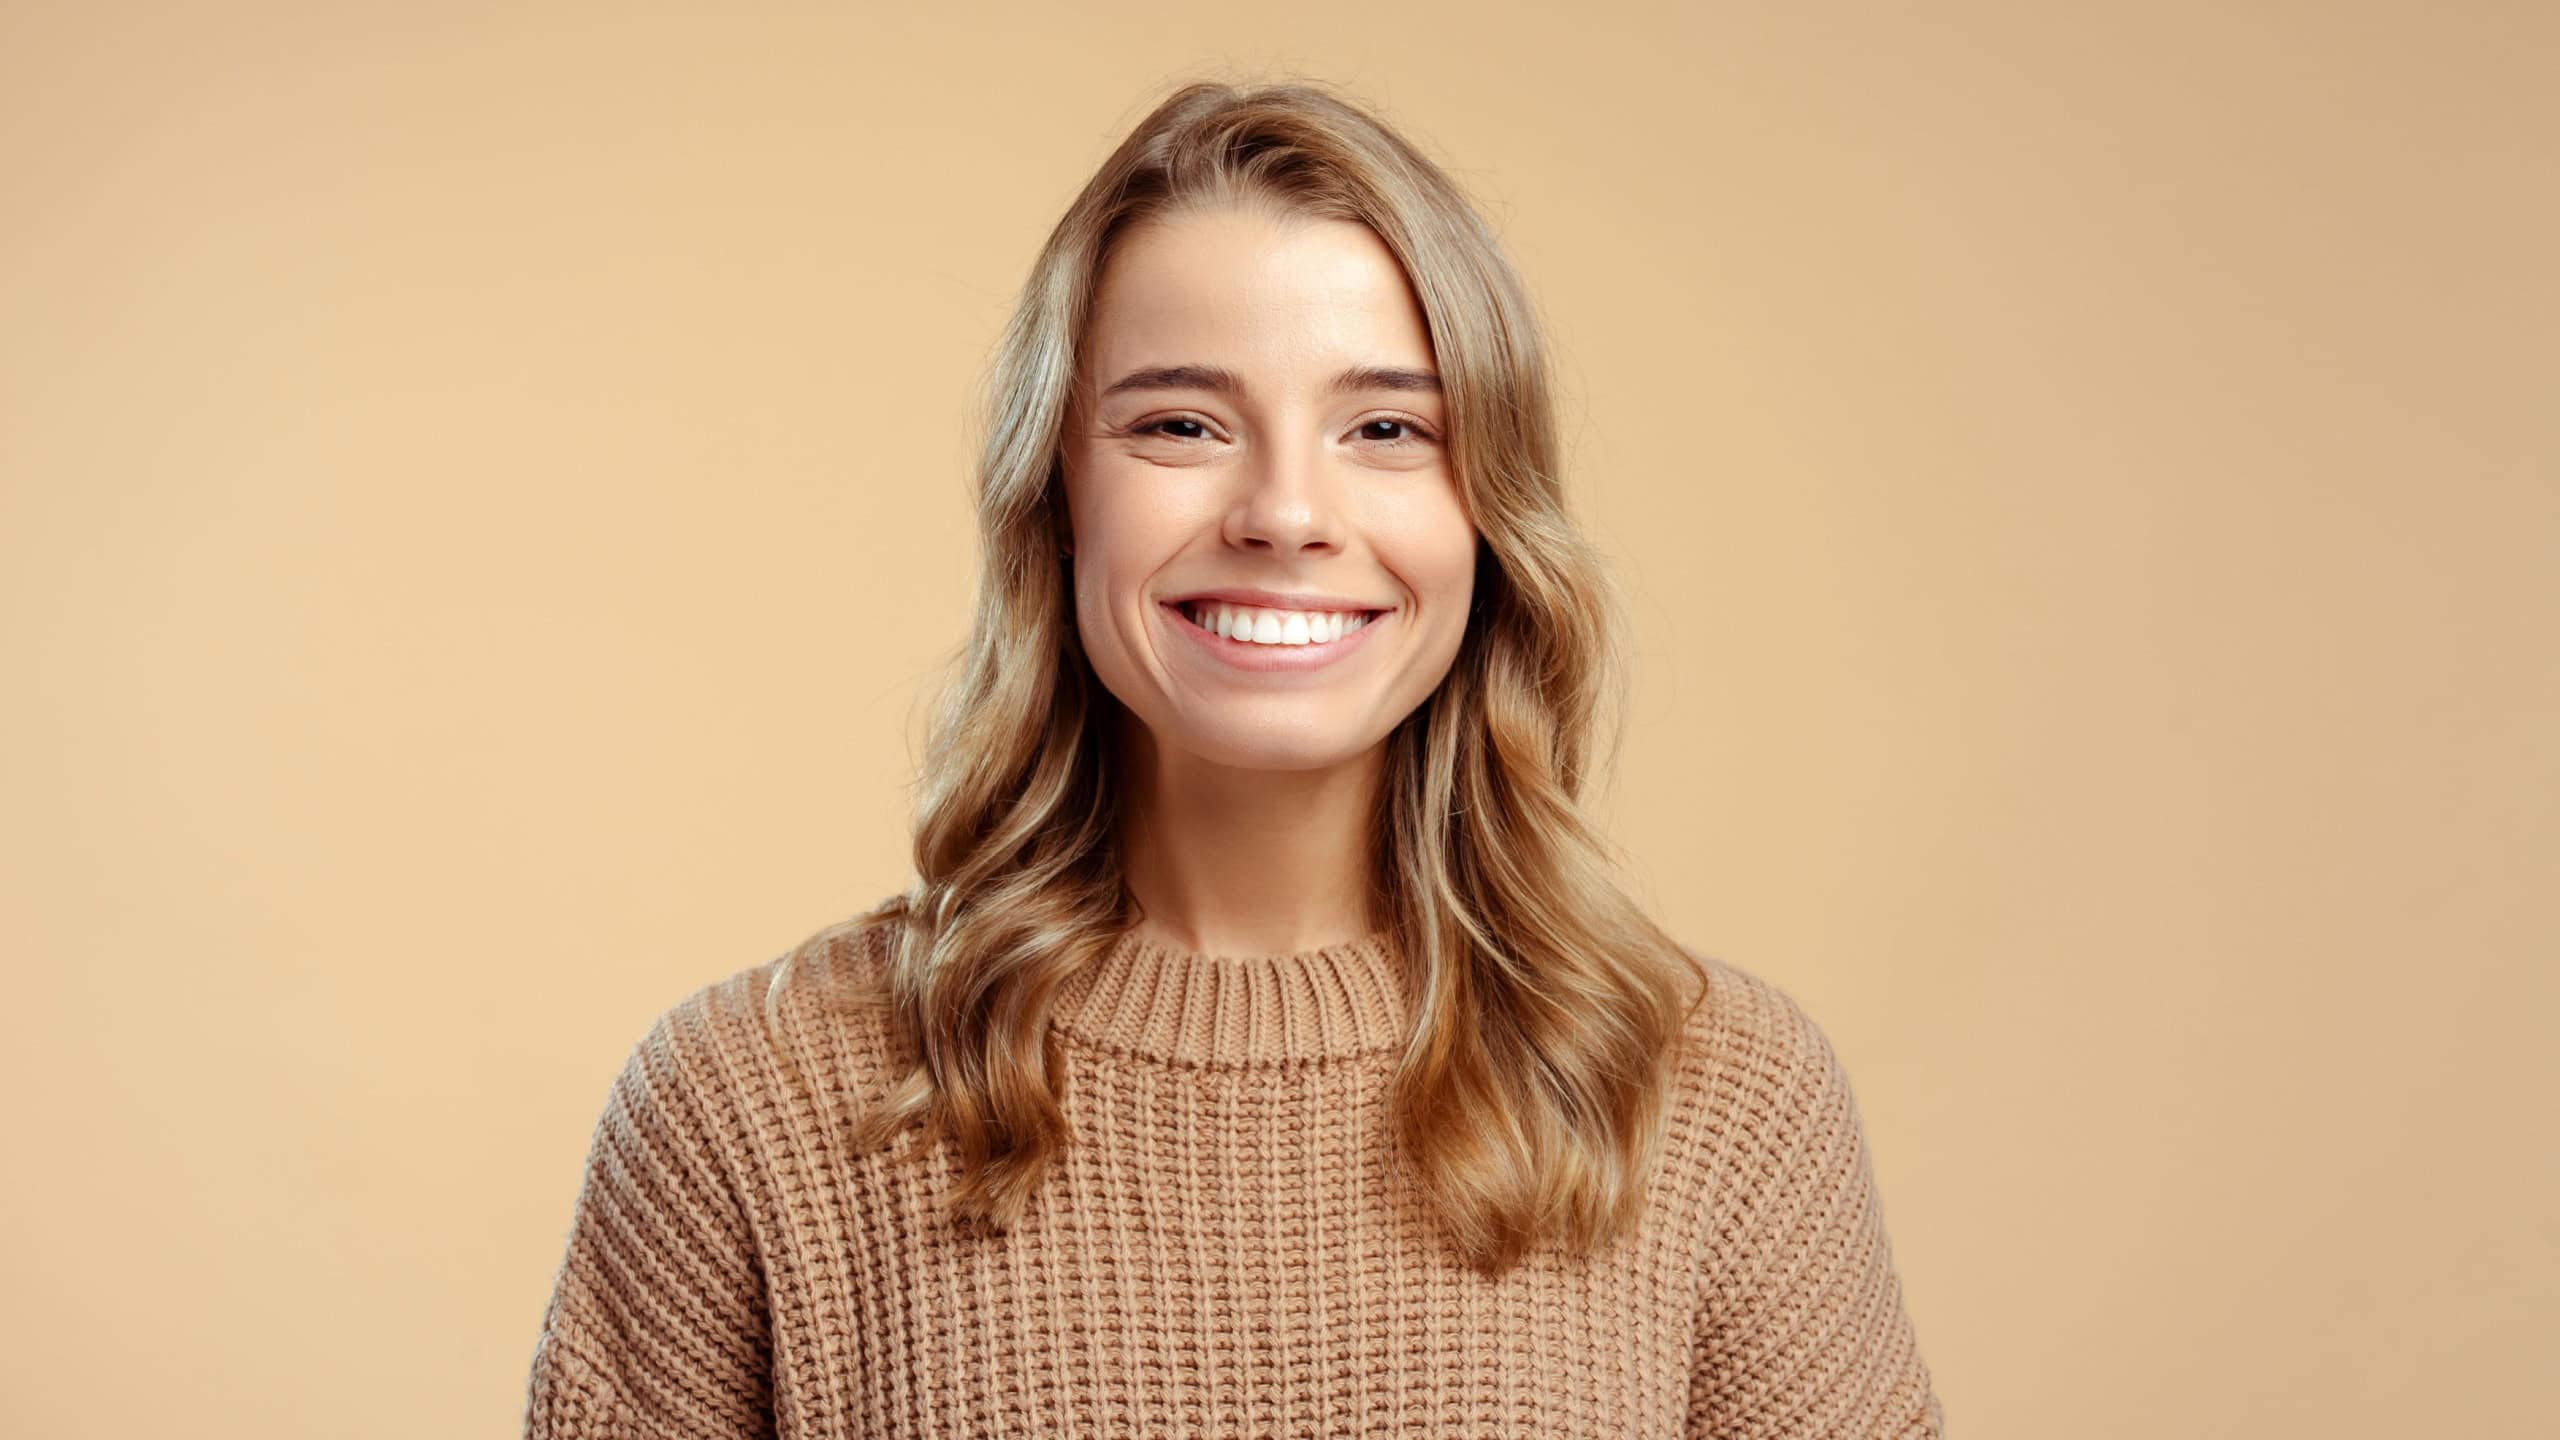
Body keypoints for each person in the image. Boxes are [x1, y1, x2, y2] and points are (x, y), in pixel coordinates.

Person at [522, 77, 1945, 1438]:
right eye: (1182, 425)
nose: (1285, 511)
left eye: (1387, 428)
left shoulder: (1723, 1100)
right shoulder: (744, 1103)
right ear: (1058, 499)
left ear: (1488, 518)